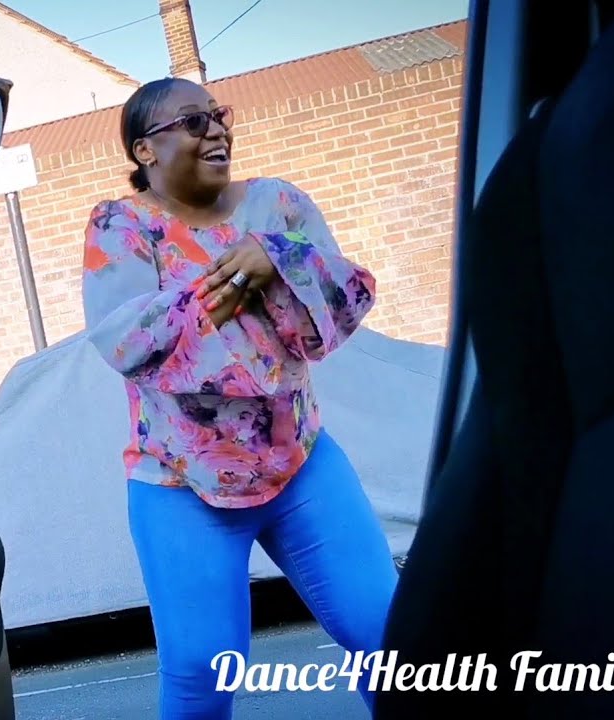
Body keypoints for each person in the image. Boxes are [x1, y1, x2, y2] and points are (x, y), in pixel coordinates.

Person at [81, 77, 398, 719]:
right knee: (202, 667)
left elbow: (342, 300)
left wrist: (276, 255)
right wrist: (244, 279)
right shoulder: (123, 226)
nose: (217, 129)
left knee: (389, 633)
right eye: (193, 122)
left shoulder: (277, 205)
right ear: (145, 150)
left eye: (218, 114)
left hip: (301, 462)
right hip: (181, 480)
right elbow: (129, 342)